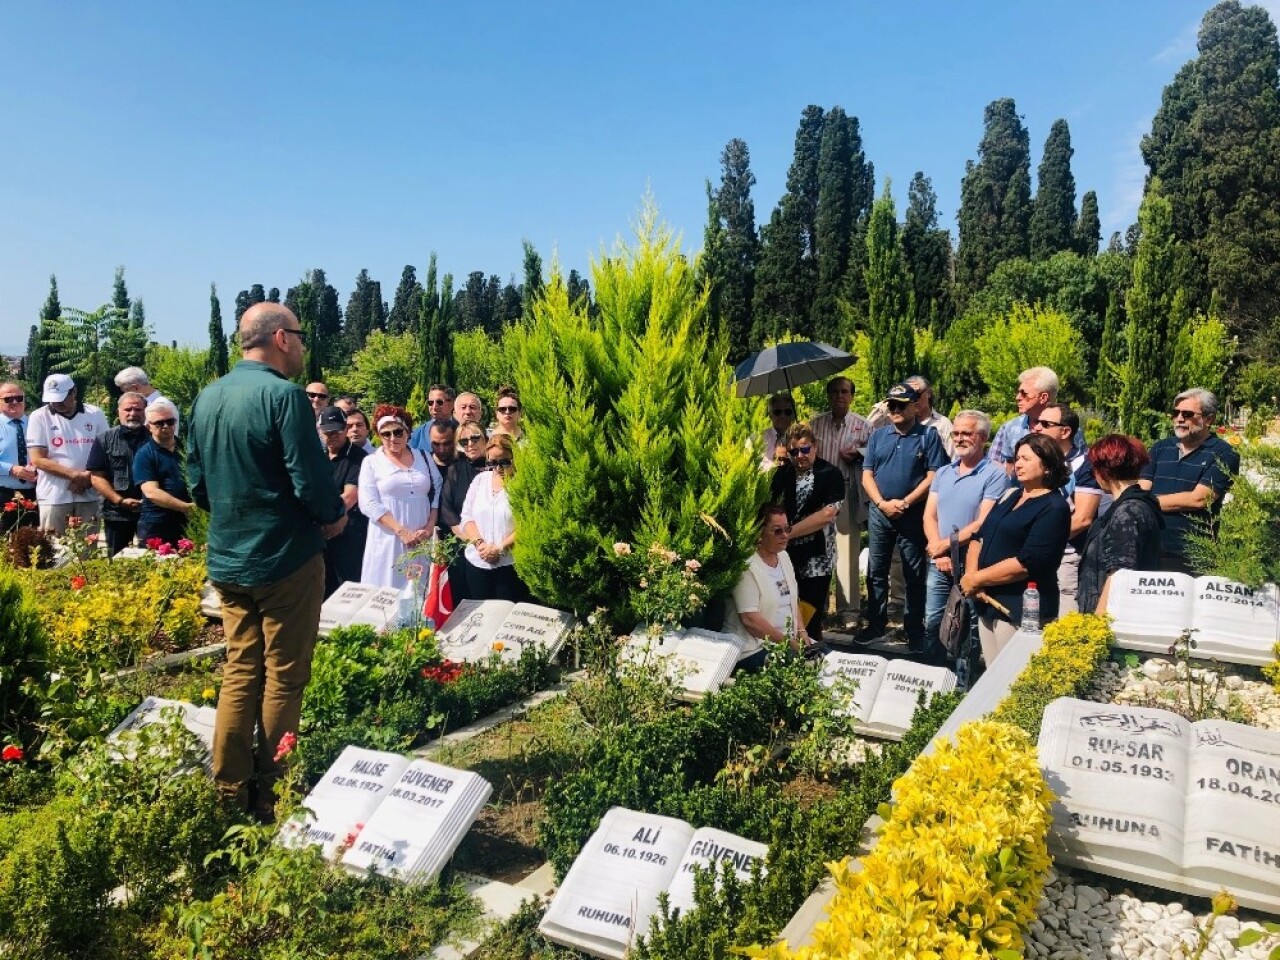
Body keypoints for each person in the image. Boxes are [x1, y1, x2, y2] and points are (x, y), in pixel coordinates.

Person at [187, 303, 347, 819]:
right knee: (284, 676)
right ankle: (276, 793)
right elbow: (309, 480)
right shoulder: (284, 397)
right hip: (285, 560)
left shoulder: (207, 397)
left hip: (229, 560)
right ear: (281, 338)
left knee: (239, 671)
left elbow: (197, 485)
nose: (302, 346)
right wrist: (331, 515)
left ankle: (229, 791)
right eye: (299, 336)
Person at [961, 433, 1072, 666]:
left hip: (1020, 609)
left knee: (1011, 679)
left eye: (1026, 459)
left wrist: (977, 579)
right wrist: (972, 577)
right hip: (987, 602)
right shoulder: (1011, 496)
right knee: (991, 678)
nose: (1018, 464)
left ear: (1048, 466)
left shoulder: (1054, 507)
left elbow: (1028, 562)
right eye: (1017, 458)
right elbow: (978, 536)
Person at [859, 383, 948, 650]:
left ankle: (914, 630)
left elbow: (934, 476)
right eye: (891, 405)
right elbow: (867, 475)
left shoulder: (928, 436)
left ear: (914, 406)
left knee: (914, 573)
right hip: (880, 513)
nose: (895, 410)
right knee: (876, 571)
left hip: (911, 514)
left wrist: (906, 502)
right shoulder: (878, 436)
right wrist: (882, 503)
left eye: (901, 405)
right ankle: (876, 625)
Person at [922, 410, 1006, 663]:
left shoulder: (995, 474)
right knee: (933, 623)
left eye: (966, 433)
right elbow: (929, 516)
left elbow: (983, 522)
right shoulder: (944, 473)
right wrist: (938, 551)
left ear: (982, 437)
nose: (959, 438)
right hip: (939, 563)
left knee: (967, 630)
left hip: (970, 563)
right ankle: (932, 682)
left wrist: (943, 547)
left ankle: (961, 689)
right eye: (956, 433)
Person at [1139, 388, 1240, 574]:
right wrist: (1141, 500)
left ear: (1208, 419)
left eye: (1187, 414)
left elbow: (1199, 499)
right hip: (1149, 547)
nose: (1179, 418)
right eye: (1175, 413)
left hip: (1191, 555)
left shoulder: (1224, 454)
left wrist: (1145, 502)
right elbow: (1142, 488)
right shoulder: (1160, 448)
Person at [770, 422, 844, 643]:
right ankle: (790, 651)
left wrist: (787, 532)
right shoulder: (781, 475)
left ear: (815, 447)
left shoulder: (830, 473)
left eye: (805, 449)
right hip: (786, 555)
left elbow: (827, 515)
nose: (800, 455)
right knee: (787, 605)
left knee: (811, 611)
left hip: (817, 555)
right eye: (794, 451)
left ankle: (810, 651)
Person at [810, 376, 874, 624]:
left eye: (844, 391)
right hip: (819, 493)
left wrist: (858, 453)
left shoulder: (864, 426)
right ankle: (818, 605)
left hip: (848, 490)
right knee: (818, 549)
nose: (839, 396)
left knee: (847, 550)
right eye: (835, 391)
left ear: (852, 396)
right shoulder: (815, 425)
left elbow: (875, 455)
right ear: (828, 395)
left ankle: (848, 611)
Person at [1078, 435, 1164, 615]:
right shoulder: (1140, 503)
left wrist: (1096, 627)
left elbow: (1119, 576)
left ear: (1103, 471)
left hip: (1110, 623)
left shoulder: (1127, 512)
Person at [358, 404, 441, 589]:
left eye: (398, 432)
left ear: (407, 432)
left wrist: (429, 527)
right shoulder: (371, 462)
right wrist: (401, 531)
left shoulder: (424, 457)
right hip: (388, 537)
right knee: (387, 586)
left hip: (421, 537)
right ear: (379, 436)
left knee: (418, 587)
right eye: (386, 434)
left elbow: (436, 491)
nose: (392, 438)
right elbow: (368, 503)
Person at [1030, 404, 1103, 615]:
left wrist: (1043, 541)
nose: (1037, 428)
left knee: (1064, 617)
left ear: (1065, 431)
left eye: (1045, 424)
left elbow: (1082, 519)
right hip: (1034, 553)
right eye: (1036, 422)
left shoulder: (1085, 463)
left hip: (1067, 555)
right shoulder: (1034, 460)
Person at [725, 504, 812, 667]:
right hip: (753, 648)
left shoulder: (784, 556)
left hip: (785, 643)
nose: (785, 535)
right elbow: (751, 620)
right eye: (777, 530)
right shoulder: (746, 565)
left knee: (828, 658)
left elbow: (792, 601)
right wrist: (788, 643)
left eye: (787, 529)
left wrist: (801, 632)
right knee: (802, 668)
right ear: (760, 533)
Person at [27, 373, 109, 534]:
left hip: (89, 491)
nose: (57, 403)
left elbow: (106, 451)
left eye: (62, 398)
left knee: (87, 547)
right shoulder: (39, 416)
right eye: (53, 399)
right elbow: (37, 459)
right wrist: (75, 476)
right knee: (53, 547)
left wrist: (87, 478)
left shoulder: (95, 414)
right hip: (53, 494)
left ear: (74, 392)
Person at [460, 432, 528, 601]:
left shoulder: (523, 484)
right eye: (492, 463)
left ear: (515, 457)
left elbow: (527, 523)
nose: (498, 468)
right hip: (477, 560)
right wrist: (480, 544)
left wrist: (499, 548)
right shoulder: (479, 480)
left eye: (505, 462)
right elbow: (467, 516)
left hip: (510, 564)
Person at [988, 366, 1084, 478]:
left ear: (1043, 397)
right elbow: (994, 464)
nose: (1018, 397)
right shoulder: (1010, 428)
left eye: (1024, 393)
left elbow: (1081, 466)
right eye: (1018, 392)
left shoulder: (1067, 429)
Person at [87, 392, 149, 554]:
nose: (133, 414)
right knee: (117, 562)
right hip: (116, 513)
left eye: (138, 410)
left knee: (154, 559)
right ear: (118, 411)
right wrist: (120, 500)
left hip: (151, 512)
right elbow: (96, 477)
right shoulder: (104, 439)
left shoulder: (156, 439)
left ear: (145, 412)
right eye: (128, 409)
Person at [318, 406, 368, 597]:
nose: (333, 436)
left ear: (346, 429)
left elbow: (350, 496)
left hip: (349, 533)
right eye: (328, 432)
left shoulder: (359, 458)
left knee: (345, 588)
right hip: (320, 534)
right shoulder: (317, 455)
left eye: (337, 430)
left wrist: (323, 516)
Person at [134, 398, 193, 547]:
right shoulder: (145, 454)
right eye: (159, 423)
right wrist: (185, 507)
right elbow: (152, 492)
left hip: (188, 523)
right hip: (158, 525)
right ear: (149, 427)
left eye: (170, 421)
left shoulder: (188, 448)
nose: (166, 426)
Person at [440, 421, 488, 603]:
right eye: (464, 441)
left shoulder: (499, 468)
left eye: (475, 438)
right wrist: (474, 541)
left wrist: (490, 545)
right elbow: (447, 508)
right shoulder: (456, 469)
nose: (470, 444)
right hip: (466, 546)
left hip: (499, 547)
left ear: (486, 438)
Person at [0, 382, 38, 534]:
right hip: (4, 493)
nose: (15, 402)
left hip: (35, 493)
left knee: (33, 544)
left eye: (19, 398)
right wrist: (11, 469)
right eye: (9, 399)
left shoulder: (37, 423)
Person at [114, 366, 175, 432]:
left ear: (136, 387)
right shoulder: (152, 402)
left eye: (125, 391)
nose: (125, 395)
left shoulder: (161, 405)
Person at [409, 384, 458, 453]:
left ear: (453, 403)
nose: (434, 407)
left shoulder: (462, 430)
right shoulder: (417, 434)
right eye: (430, 402)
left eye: (439, 402)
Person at [757, 392, 796, 470]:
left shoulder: (802, 438)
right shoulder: (757, 440)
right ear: (770, 415)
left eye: (787, 412)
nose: (783, 416)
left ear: (794, 414)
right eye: (777, 412)